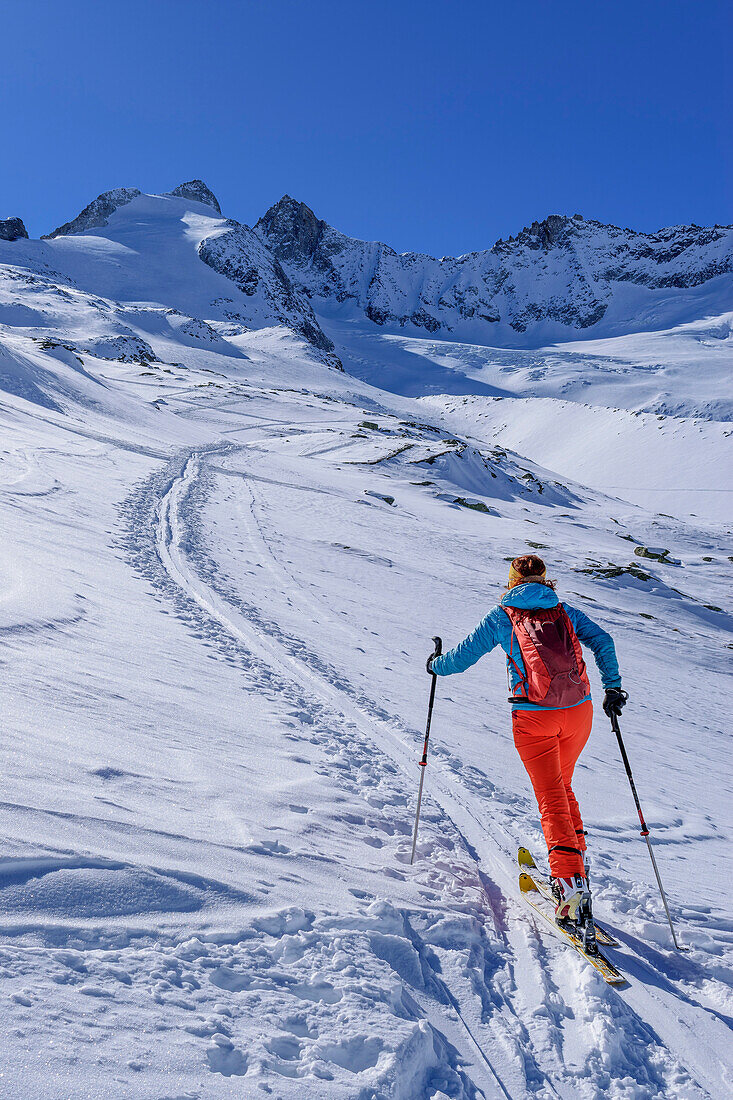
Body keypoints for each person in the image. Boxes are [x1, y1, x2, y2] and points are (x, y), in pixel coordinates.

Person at [427, 554, 627, 935]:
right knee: (563, 788)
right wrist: (613, 686)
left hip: (534, 717)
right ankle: (577, 874)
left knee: (551, 797)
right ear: (544, 580)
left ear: (511, 581)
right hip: (579, 712)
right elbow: (604, 641)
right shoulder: (563, 610)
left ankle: (569, 891)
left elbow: (462, 657)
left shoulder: (503, 615)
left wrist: (435, 664)